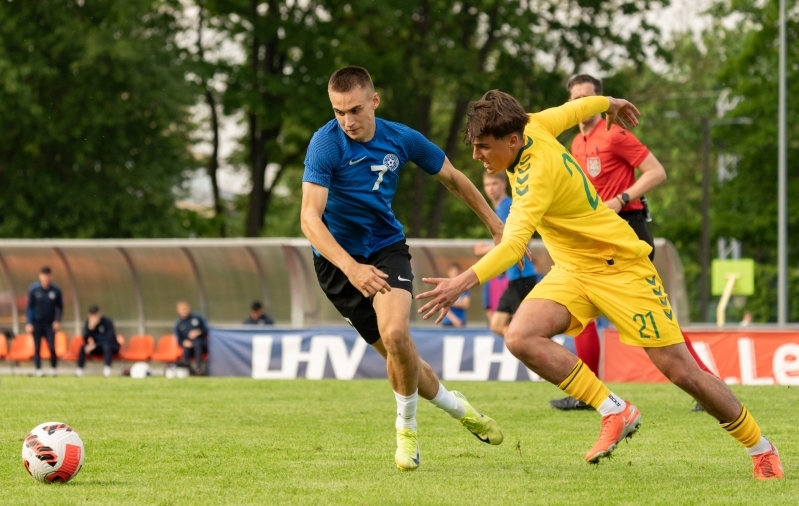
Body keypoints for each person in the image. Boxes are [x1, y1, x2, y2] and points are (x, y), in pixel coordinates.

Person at [417, 90, 783, 479]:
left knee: (682, 372)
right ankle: (614, 410)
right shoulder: (535, 124)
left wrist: (461, 283)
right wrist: (611, 102)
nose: (477, 156)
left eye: (483, 147)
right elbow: (577, 107)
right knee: (521, 336)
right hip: (574, 270)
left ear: (511, 140)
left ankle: (761, 448)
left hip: (620, 268)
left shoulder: (534, 178)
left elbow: (512, 247)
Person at [301, 66, 505, 471]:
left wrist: (496, 225)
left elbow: (453, 178)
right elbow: (310, 219)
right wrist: (352, 269)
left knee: (396, 334)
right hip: (337, 265)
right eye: (338, 112)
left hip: (385, 249)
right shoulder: (325, 145)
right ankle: (458, 408)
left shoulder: (402, 138)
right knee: (401, 358)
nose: (347, 121)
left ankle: (406, 430)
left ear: (374, 101)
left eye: (355, 110)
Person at [549, 74, 713, 413]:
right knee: (583, 310)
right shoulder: (576, 143)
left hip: (628, 229)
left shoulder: (615, 134)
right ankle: (587, 393)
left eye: (587, 97)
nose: (581, 104)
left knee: (655, 316)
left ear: (599, 99)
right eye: (575, 99)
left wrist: (621, 198)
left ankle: (707, 384)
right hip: (599, 234)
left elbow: (656, 172)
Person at [474, 171, 538, 337]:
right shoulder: (499, 208)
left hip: (522, 275)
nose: (491, 188)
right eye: (487, 185)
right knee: (497, 325)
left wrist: (483, 250)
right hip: (513, 278)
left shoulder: (506, 207)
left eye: (494, 184)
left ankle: (534, 348)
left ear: (503, 184)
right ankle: (529, 347)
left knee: (521, 332)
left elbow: (521, 240)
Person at [26, 266, 63, 377]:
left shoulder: (55, 290)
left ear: (50, 276)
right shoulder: (33, 289)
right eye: (44, 276)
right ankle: (38, 370)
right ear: (40, 276)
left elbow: (60, 307)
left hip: (49, 324)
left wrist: (57, 320)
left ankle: (53, 369)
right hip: (36, 323)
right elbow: (30, 307)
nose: (46, 278)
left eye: (48, 276)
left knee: (51, 346)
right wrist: (29, 322)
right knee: (37, 347)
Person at [76, 305, 119, 378]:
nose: (94, 316)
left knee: (106, 346)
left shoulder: (107, 322)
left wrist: (95, 345)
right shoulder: (88, 323)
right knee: (83, 347)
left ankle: (107, 370)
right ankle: (79, 371)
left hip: (111, 346)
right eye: (92, 314)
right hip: (97, 347)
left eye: (95, 314)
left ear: (100, 313)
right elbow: (85, 339)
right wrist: (90, 328)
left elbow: (109, 339)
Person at [174, 301, 209, 375]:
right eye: (182, 309)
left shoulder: (197, 318)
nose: (184, 310)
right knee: (186, 347)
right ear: (178, 310)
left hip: (202, 345)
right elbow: (178, 340)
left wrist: (199, 332)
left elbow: (207, 330)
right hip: (190, 347)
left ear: (189, 308)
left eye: (185, 308)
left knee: (197, 342)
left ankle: (199, 368)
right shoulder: (178, 324)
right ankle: (186, 369)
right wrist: (184, 342)